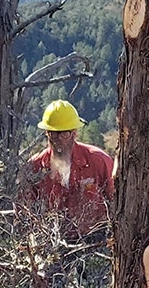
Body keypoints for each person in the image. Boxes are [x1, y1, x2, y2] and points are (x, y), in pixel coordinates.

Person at [23, 99, 115, 241]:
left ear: (74, 133)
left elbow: (116, 202)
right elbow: (25, 215)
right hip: (53, 244)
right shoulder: (35, 167)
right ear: (46, 134)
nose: (58, 139)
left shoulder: (99, 161)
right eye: (53, 133)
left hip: (97, 241)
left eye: (63, 133)